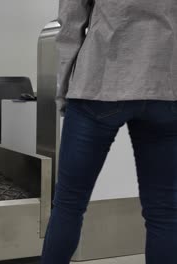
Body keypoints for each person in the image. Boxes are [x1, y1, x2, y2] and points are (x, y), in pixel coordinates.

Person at [41, 1, 177, 263]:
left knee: (69, 204)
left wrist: (64, 90)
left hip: (100, 81)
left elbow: (71, 21)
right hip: (165, 86)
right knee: (165, 213)